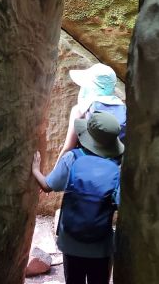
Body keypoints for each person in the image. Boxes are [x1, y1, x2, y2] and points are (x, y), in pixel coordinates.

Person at [32, 111, 124, 284]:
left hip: (71, 242)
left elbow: (47, 186)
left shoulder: (72, 158)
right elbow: (121, 204)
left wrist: (36, 170)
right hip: (100, 245)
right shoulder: (117, 169)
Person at [56, 63, 126, 163]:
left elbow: (68, 148)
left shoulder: (81, 110)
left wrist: (52, 175)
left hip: (86, 168)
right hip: (113, 170)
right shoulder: (123, 109)